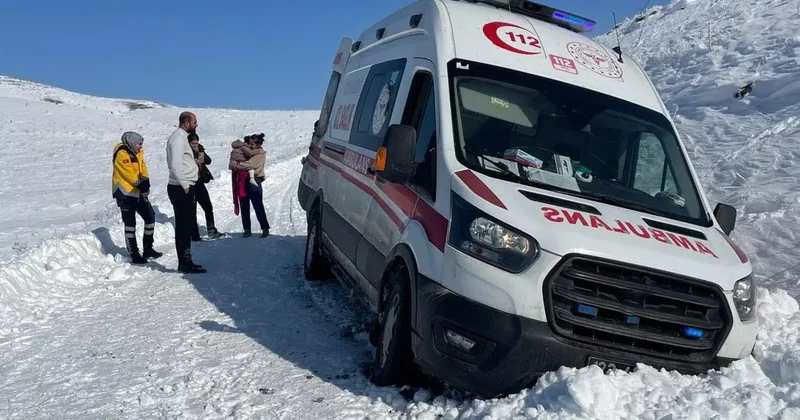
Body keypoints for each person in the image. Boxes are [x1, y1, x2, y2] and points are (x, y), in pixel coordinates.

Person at [111, 131, 163, 264]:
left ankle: (148, 249)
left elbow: (142, 166)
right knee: (130, 224)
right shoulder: (122, 153)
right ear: (132, 143)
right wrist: (139, 183)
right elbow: (127, 172)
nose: (141, 147)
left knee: (150, 217)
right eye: (139, 144)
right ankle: (134, 253)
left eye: (141, 144)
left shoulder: (138, 152)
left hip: (137, 192)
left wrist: (145, 179)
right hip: (125, 193)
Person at [166, 111, 206, 273]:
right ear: (186, 123)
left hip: (185, 186)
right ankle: (184, 263)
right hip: (181, 188)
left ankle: (187, 261)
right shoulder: (177, 138)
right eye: (194, 122)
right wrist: (185, 185)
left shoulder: (183, 137)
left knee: (187, 225)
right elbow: (175, 165)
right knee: (183, 227)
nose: (196, 125)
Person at [229, 134, 270, 238]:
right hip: (243, 180)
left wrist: (236, 165)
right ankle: (246, 229)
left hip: (254, 180)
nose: (250, 146)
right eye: (249, 144)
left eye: (252, 144)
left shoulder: (260, 154)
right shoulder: (248, 152)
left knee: (258, 205)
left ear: (258, 145)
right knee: (244, 205)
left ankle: (265, 228)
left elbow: (250, 165)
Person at [188, 133, 224, 241]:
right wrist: (194, 162)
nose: (195, 145)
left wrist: (202, 155)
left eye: (196, 143)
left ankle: (211, 230)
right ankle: (194, 235)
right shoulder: (186, 152)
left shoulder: (200, 149)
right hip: (190, 182)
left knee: (208, 206)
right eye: (193, 143)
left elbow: (209, 161)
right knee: (192, 209)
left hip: (200, 182)